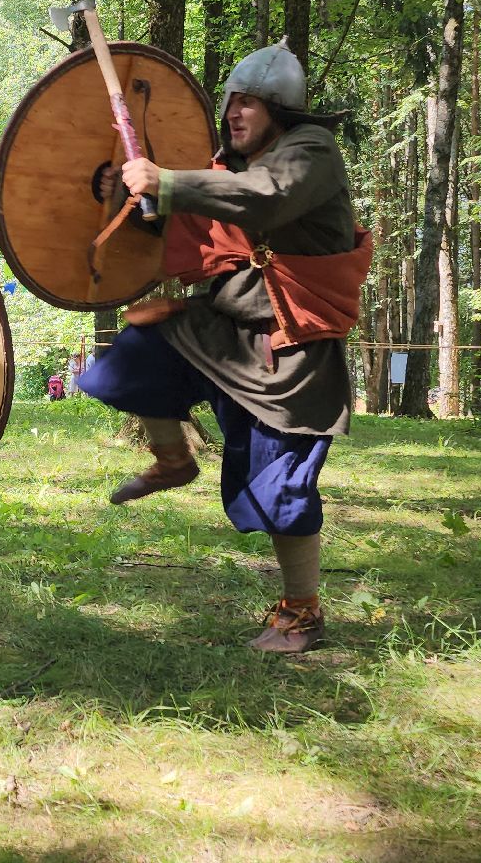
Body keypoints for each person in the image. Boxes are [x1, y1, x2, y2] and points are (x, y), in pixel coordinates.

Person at [76, 39, 370, 654]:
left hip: (288, 347)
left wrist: (169, 180)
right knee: (133, 360)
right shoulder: (228, 166)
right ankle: (174, 460)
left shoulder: (310, 154)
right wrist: (127, 193)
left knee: (279, 485)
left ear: (280, 112)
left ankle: (302, 612)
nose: (235, 113)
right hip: (220, 329)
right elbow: (185, 218)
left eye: (251, 105)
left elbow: (265, 198)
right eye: (232, 103)